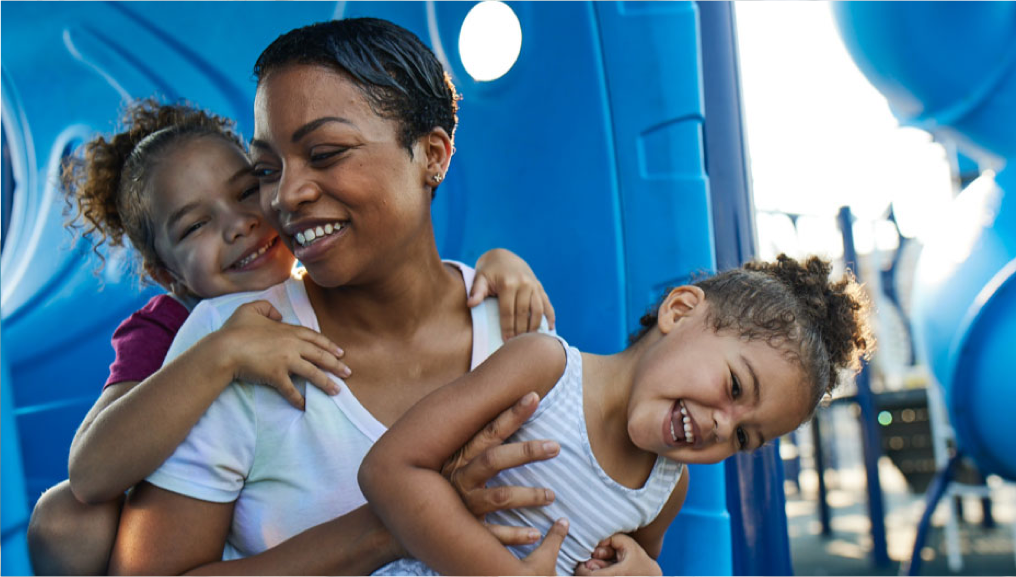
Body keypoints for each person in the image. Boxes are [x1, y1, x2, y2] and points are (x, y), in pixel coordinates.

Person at [108, 18, 566, 576]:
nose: (286, 195)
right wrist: (399, 521)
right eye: (267, 169)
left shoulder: (516, 323)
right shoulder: (232, 338)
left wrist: (633, 558)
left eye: (324, 153)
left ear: (433, 155)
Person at [359, 254, 874, 576]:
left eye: (743, 437)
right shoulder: (546, 369)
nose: (722, 425)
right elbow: (390, 469)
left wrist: (643, 570)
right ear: (680, 312)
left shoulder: (665, 486)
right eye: (734, 386)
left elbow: (627, 556)